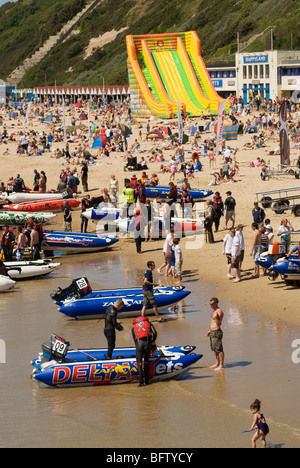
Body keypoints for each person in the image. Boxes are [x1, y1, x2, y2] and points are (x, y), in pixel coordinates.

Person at [132, 316, 157, 387]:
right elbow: (154, 333)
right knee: (146, 362)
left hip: (139, 343)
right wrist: (152, 341)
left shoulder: (133, 327)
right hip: (147, 343)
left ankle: (141, 383)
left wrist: (138, 348)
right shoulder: (148, 323)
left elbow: (135, 339)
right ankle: (147, 381)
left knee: (139, 363)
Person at [206, 298, 224, 371]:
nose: (211, 305)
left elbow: (219, 323)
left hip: (217, 332)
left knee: (219, 349)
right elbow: (212, 322)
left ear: (216, 303)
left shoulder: (219, 311)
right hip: (213, 332)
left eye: (212, 304)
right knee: (215, 349)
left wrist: (217, 318)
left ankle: (221, 365)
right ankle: (217, 363)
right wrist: (209, 330)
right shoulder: (214, 311)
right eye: (210, 304)